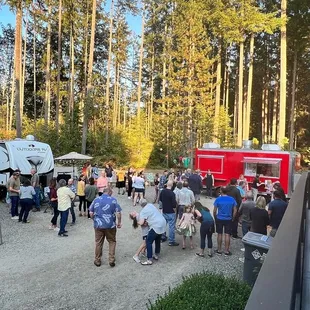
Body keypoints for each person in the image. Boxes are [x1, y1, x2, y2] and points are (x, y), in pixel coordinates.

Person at [89, 187, 122, 267]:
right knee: (112, 241)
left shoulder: (96, 200)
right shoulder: (113, 200)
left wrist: (94, 220)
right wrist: (119, 222)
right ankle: (111, 260)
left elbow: (91, 212)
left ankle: (97, 260)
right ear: (109, 192)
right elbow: (118, 213)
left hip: (98, 225)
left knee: (98, 242)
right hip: (110, 225)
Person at [136, 199, 166, 266]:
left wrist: (136, 222)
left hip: (155, 225)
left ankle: (149, 259)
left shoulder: (143, 211)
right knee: (157, 239)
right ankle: (156, 254)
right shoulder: (151, 205)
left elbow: (141, 222)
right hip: (162, 222)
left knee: (148, 241)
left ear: (141, 205)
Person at [213, 186, 237, 256]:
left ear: (221, 191)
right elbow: (235, 210)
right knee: (227, 234)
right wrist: (233, 217)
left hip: (220, 218)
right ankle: (226, 251)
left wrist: (215, 217)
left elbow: (214, 211)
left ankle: (219, 250)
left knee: (219, 234)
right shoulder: (232, 199)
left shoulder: (218, 199)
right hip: (228, 219)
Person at [159, 180, 179, 246]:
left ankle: (162, 237)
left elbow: (160, 199)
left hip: (164, 211)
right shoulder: (172, 193)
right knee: (171, 227)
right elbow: (174, 204)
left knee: (163, 225)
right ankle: (171, 241)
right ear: (172, 185)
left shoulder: (162, 191)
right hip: (171, 211)